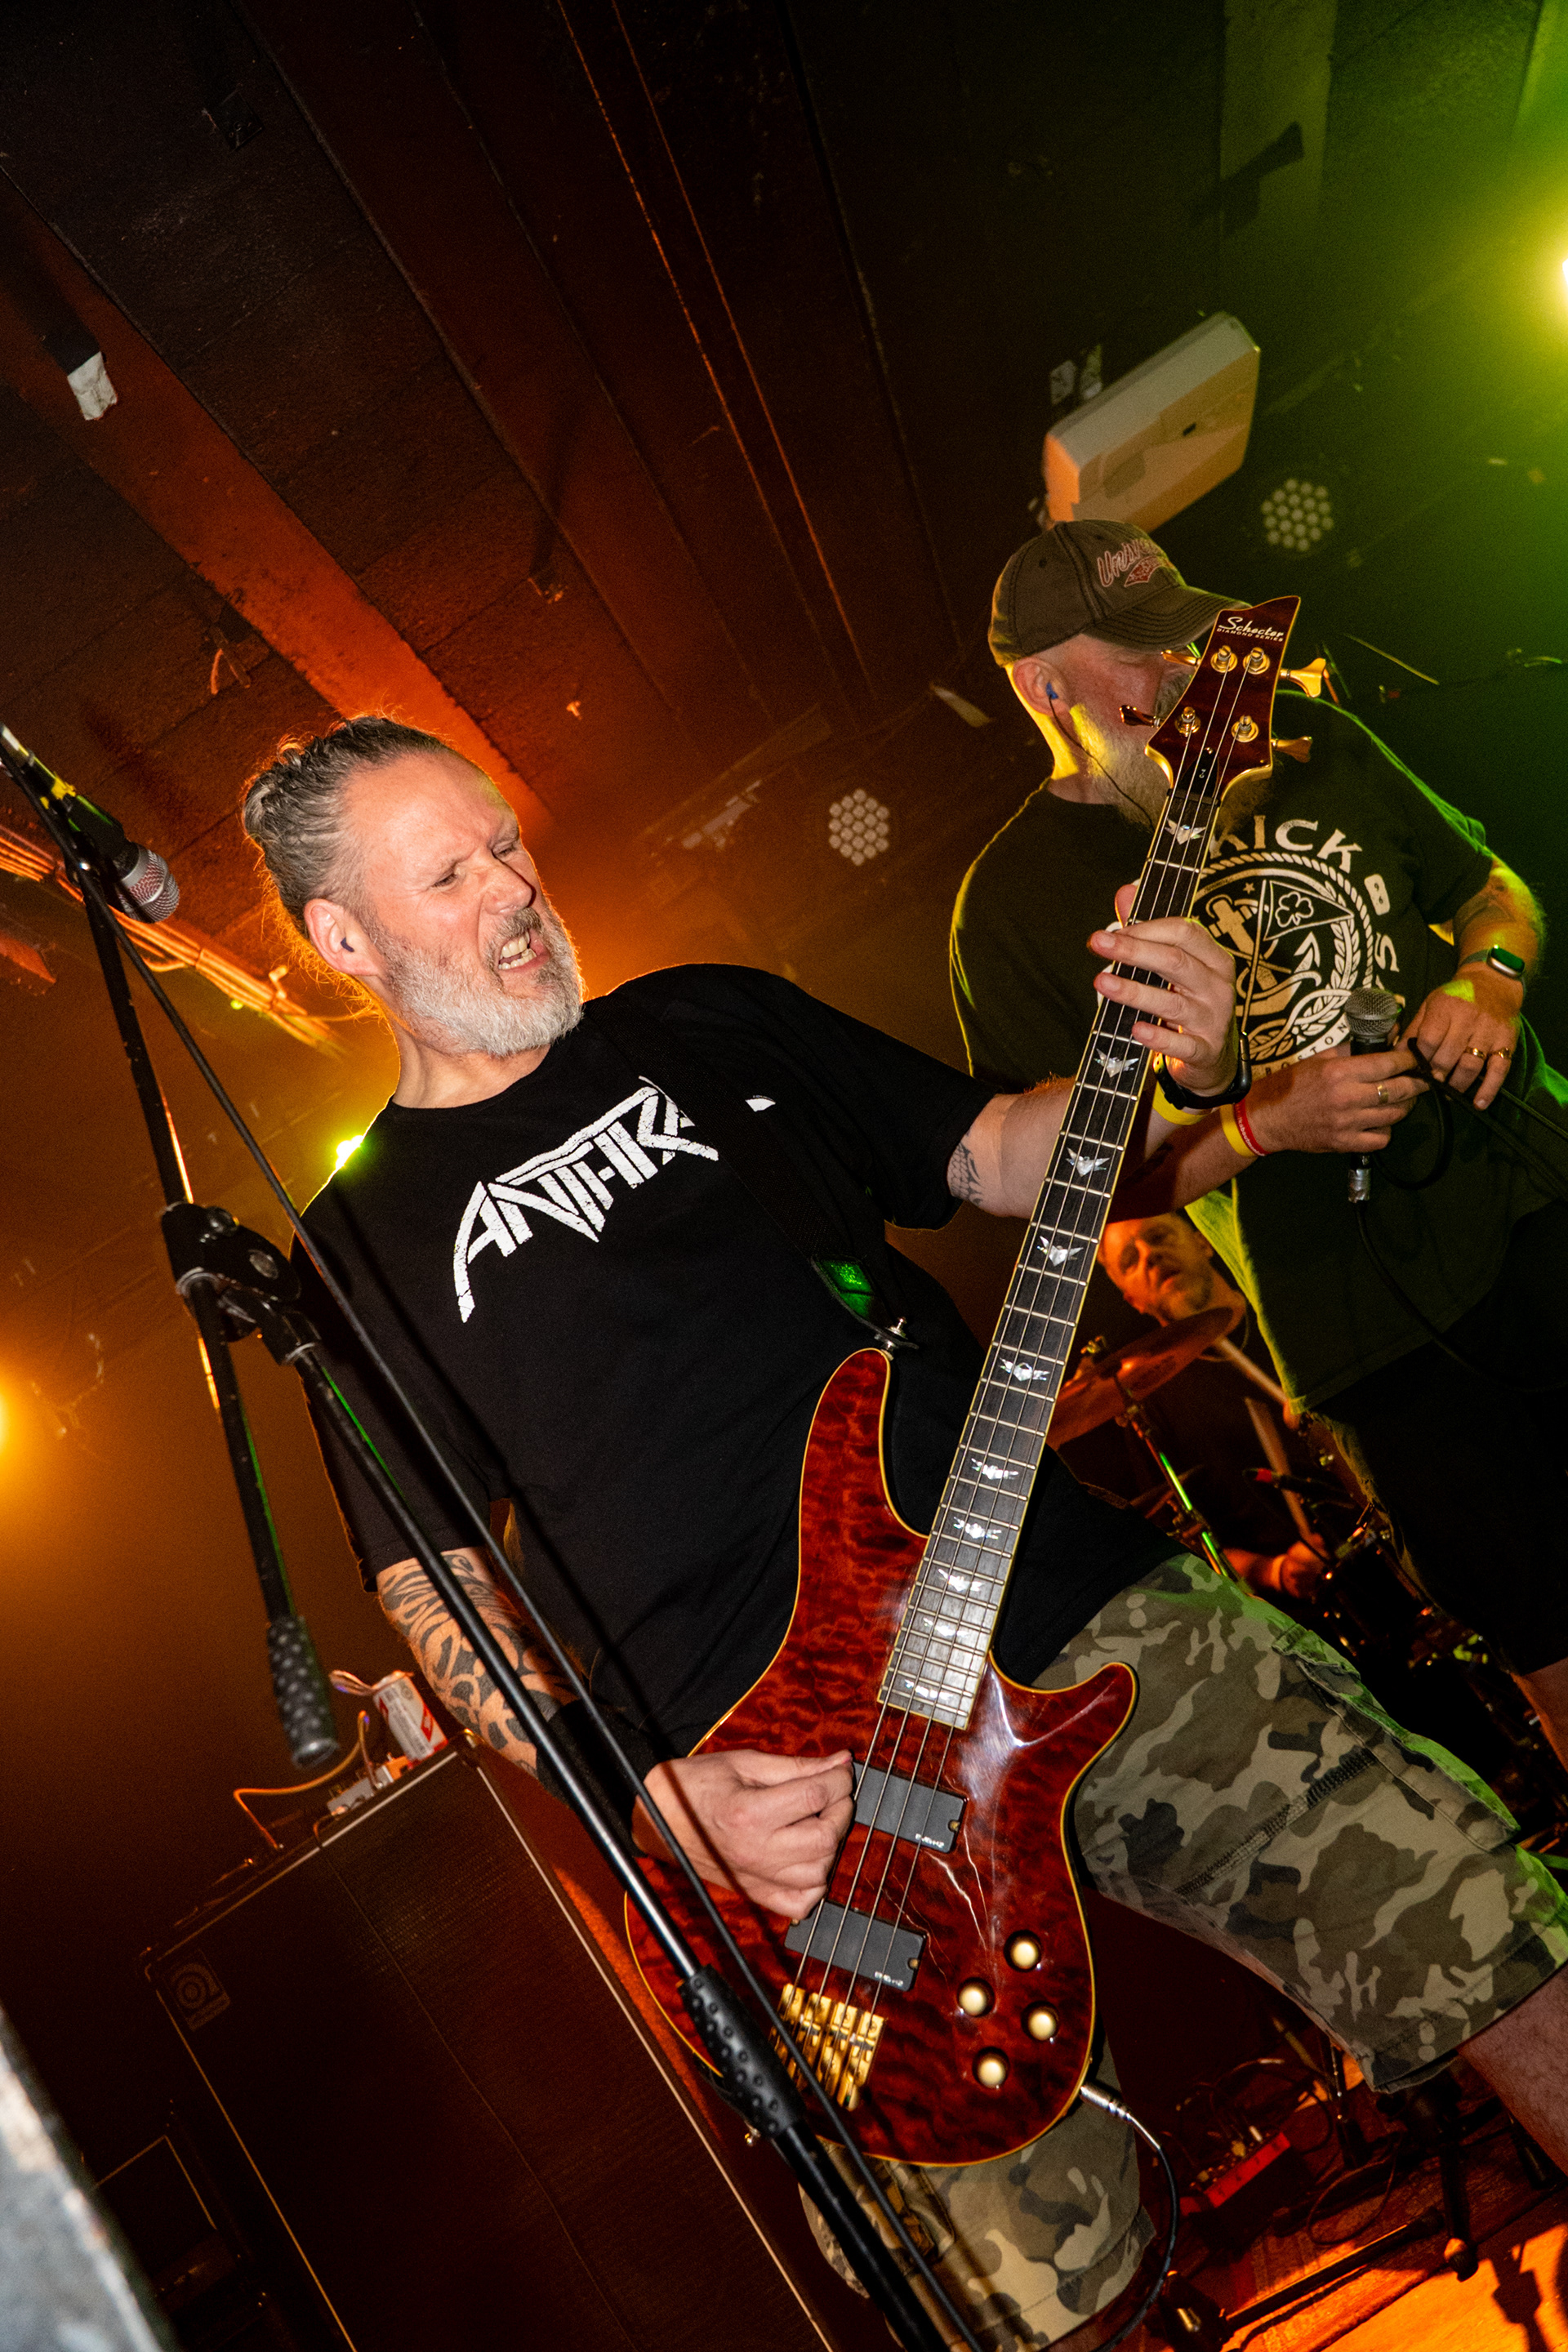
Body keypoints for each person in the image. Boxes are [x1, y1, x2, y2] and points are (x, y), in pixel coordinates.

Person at [243, 716, 1568, 2350]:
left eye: (504, 842)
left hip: (1059, 1597)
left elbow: (999, 1150)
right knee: (1017, 2286)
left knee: (1464, 1913)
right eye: (447, 877)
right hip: (794, 1788)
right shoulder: (356, 1248)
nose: (512, 890)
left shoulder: (705, 1019)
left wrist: (1159, 1057)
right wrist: (649, 1792)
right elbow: (432, 1589)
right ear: (344, 940)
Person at [952, 516, 1568, 1773]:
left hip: (1538, 1190)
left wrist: (1491, 981)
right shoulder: (1010, 907)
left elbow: (1490, 887)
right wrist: (1259, 1123)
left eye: (1185, 636)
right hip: (1369, 1332)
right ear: (1047, 690)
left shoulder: (1311, 740)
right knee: (1553, 1636)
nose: (1184, 672)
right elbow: (1079, 1194)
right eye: (1141, 655)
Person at [1080, 1209, 1332, 1603]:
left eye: (1158, 1236)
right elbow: (1186, 1546)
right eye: (1130, 1260)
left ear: (1203, 1241)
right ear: (1132, 1300)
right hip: (1313, 1599)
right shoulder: (1149, 1405)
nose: (1150, 1255)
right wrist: (1274, 1571)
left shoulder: (1289, 1310)